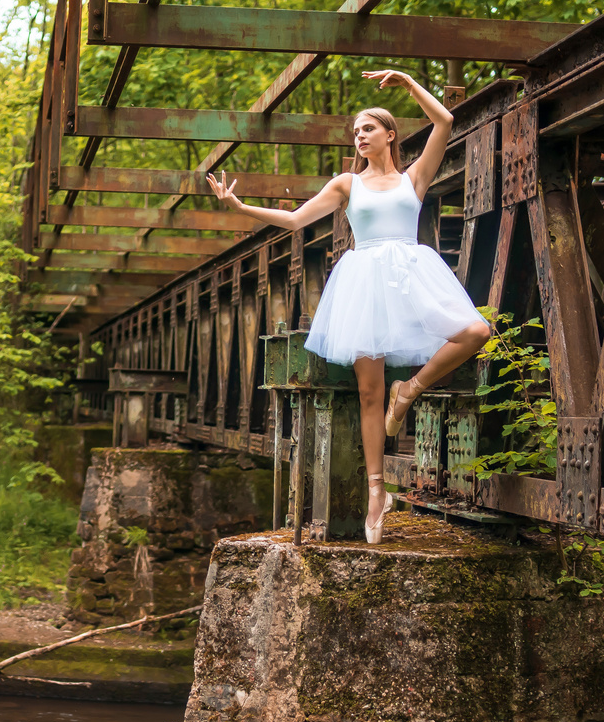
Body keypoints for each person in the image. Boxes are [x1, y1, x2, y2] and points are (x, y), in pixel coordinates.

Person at [205, 69, 491, 544]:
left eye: (368, 129)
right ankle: (377, 492)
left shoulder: (414, 178)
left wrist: (406, 82)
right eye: (355, 132)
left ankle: (411, 390)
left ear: (389, 134)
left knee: (476, 332)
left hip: (411, 277)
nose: (359, 137)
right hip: (363, 285)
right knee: (368, 394)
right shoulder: (346, 185)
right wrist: (240, 207)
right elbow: (296, 220)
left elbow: (445, 121)